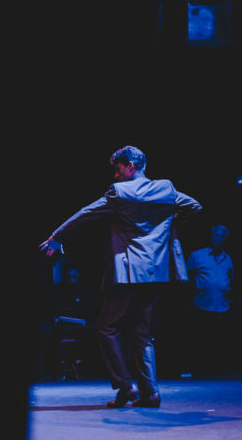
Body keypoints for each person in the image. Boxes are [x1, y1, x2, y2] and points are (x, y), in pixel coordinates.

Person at [39, 145, 201, 408]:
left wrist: (57, 237)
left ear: (130, 166)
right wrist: (166, 227)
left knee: (107, 327)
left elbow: (86, 213)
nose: (115, 175)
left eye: (117, 169)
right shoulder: (166, 189)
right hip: (155, 272)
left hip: (128, 271)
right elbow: (194, 206)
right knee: (143, 333)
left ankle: (127, 387)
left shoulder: (121, 192)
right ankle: (151, 393)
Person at [186, 225, 234, 375]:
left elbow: (230, 278)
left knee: (218, 339)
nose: (217, 238)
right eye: (215, 235)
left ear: (225, 239)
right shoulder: (197, 255)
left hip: (221, 305)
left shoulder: (228, 259)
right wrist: (194, 289)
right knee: (200, 337)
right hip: (201, 303)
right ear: (210, 236)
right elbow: (187, 276)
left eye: (221, 236)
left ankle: (216, 369)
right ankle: (199, 368)